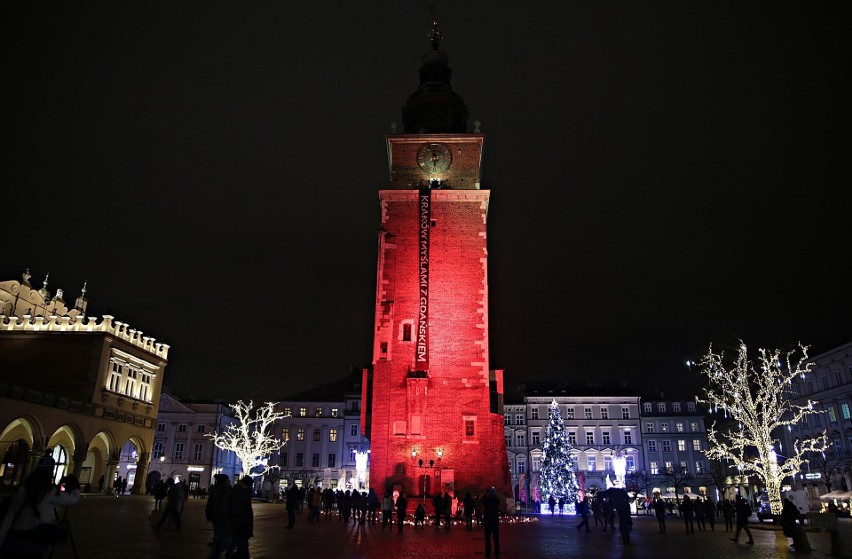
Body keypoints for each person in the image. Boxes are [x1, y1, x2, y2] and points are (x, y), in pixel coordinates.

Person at [0, 469, 80, 557]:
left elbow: (10, 515)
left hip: (14, 538)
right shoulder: (48, 491)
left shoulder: (22, 489)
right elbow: (72, 500)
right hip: (35, 540)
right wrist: (75, 488)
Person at [226, 476, 253, 559]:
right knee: (239, 544)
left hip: (240, 524)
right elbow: (239, 509)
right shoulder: (240, 492)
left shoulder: (240, 490)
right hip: (240, 524)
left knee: (240, 544)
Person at [206, 474, 231, 559]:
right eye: (228, 480)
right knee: (224, 541)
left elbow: (210, 503)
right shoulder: (224, 490)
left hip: (216, 517)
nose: (229, 481)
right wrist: (226, 519)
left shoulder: (216, 489)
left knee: (221, 539)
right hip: (221, 518)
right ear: (225, 481)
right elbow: (223, 506)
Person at [482, 487, 501, 559]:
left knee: (487, 537)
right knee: (496, 537)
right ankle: (497, 552)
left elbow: (481, 500)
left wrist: (486, 494)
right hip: (495, 520)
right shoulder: (497, 500)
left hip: (487, 520)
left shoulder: (487, 500)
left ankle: (488, 552)